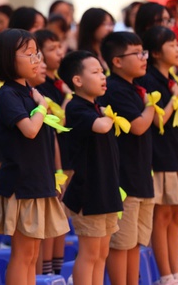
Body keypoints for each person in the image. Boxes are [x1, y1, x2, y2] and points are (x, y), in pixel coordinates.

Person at [0, 28, 69, 285]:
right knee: (23, 254)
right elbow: (30, 130)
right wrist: (42, 107)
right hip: (21, 185)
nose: (36, 60)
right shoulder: (8, 94)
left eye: (37, 54)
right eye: (29, 54)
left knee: (32, 253)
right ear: (8, 59)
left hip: (37, 182)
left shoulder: (29, 92)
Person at [58, 51, 122, 285]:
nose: (103, 76)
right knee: (90, 252)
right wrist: (109, 116)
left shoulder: (97, 106)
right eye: (95, 72)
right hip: (89, 191)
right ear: (77, 80)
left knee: (102, 251)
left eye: (102, 72)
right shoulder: (76, 107)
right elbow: (102, 126)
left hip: (106, 189)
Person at [100, 32, 155, 285]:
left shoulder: (134, 88)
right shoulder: (115, 88)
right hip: (125, 179)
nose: (143, 58)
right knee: (121, 244)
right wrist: (152, 104)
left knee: (135, 242)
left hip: (141, 174)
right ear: (117, 61)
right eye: (137, 53)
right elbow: (139, 126)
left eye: (144, 52)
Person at [138, 26, 178, 285]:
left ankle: (176, 272)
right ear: (155, 52)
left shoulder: (173, 79)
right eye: (172, 45)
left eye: (177, 45)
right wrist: (175, 98)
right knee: (162, 216)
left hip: (177, 153)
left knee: (176, 214)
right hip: (160, 156)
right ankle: (165, 275)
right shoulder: (149, 80)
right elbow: (158, 121)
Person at [34, 29, 71, 276]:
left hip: (62, 161)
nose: (58, 54)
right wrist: (69, 97)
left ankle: (56, 275)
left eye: (60, 48)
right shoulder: (40, 90)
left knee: (60, 224)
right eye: (50, 49)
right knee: (46, 228)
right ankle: (46, 275)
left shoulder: (58, 82)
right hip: (44, 165)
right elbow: (58, 120)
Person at [77, 8, 115, 72]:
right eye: (105, 24)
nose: (110, 29)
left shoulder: (112, 52)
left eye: (111, 24)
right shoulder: (82, 58)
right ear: (92, 26)